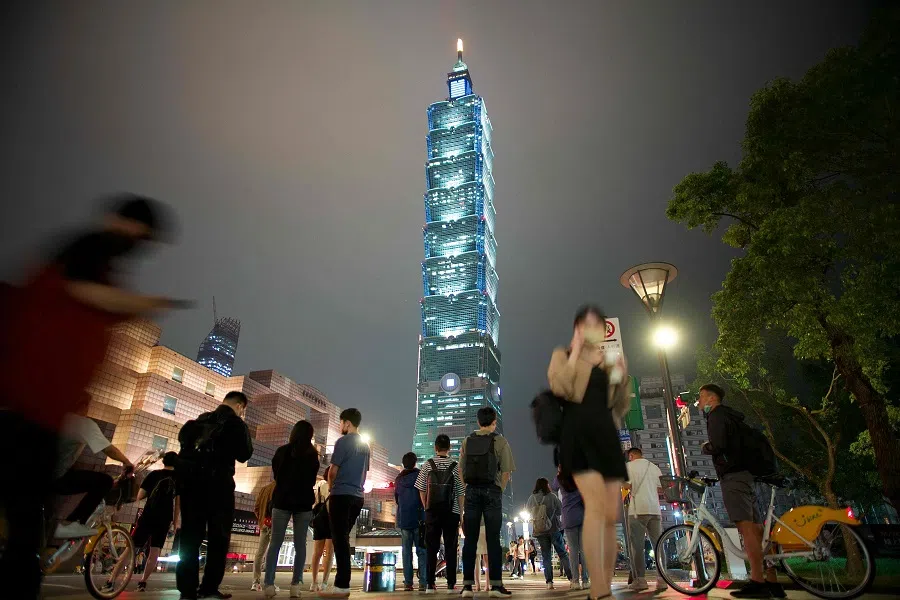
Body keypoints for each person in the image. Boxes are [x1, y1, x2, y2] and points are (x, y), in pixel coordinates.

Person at [0, 194, 183, 600]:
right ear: (129, 225)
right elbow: (86, 292)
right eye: (144, 237)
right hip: (30, 407)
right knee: (26, 523)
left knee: (26, 520)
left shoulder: (96, 258)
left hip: (44, 409)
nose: (142, 247)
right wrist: (143, 304)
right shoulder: (90, 248)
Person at [548, 305, 631, 600]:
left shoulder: (608, 359)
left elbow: (619, 406)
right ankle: (598, 589)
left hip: (606, 435)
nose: (593, 328)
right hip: (578, 434)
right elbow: (561, 388)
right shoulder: (563, 354)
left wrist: (621, 375)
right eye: (587, 323)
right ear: (577, 327)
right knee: (595, 507)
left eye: (598, 323)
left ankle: (604, 585)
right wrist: (576, 352)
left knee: (610, 514)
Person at [698, 384, 784, 599]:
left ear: (710, 399)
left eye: (700, 398)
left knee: (746, 529)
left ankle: (757, 581)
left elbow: (719, 445)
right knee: (757, 530)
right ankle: (772, 581)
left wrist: (706, 447)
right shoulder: (733, 418)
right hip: (747, 476)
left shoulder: (716, 416)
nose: (698, 403)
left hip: (733, 477)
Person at [176, 391, 253, 600]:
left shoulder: (199, 421)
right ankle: (209, 587)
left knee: (190, 537)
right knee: (219, 537)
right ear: (240, 406)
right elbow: (245, 453)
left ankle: (187, 589)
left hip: (192, 485)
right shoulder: (236, 424)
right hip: (219, 485)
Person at [458, 406, 515, 598]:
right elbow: (506, 471)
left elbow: (460, 470)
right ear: (494, 422)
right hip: (492, 491)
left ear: (477, 421)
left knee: (470, 541)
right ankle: (496, 587)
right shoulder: (500, 441)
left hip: (472, 492)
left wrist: (468, 486)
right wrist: (499, 489)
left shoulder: (467, 441)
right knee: (493, 539)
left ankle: (467, 587)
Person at [52, 410, 134, 538]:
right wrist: (127, 462)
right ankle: (74, 522)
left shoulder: (54, 416)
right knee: (104, 481)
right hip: (55, 477)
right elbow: (108, 449)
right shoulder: (81, 423)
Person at [265, 420, 320, 598]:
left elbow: (276, 474)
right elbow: (312, 480)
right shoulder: (312, 455)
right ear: (310, 435)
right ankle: (296, 585)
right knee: (300, 544)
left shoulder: (282, 451)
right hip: (303, 503)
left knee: (275, 543)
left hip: (281, 501)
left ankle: (268, 585)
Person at [320, 409, 370, 599]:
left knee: (339, 539)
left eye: (341, 423)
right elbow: (365, 472)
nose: (340, 427)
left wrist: (332, 491)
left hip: (341, 494)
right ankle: (341, 582)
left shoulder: (342, 442)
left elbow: (332, 471)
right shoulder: (365, 445)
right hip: (358, 497)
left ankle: (342, 585)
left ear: (347, 423)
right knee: (343, 538)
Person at [415, 434, 464, 593]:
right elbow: (461, 493)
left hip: (432, 512)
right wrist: (461, 515)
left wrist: (427, 506)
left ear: (435, 448)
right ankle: (451, 584)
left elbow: (421, 490)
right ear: (449, 448)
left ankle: (430, 583)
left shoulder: (427, 465)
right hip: (452, 512)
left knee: (432, 547)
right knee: (450, 547)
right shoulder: (456, 467)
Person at [131, 451, 180, 592]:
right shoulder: (178, 479)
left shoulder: (153, 474)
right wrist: (175, 523)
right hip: (164, 519)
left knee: (132, 548)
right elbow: (177, 504)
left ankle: (112, 580)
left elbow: (139, 496)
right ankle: (143, 582)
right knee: (155, 551)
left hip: (148, 515)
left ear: (163, 461)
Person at [622, 447, 666, 591]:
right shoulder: (653, 467)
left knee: (637, 547)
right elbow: (661, 488)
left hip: (637, 511)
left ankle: (640, 580)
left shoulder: (628, 467)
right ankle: (662, 580)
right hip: (655, 510)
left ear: (631, 455)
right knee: (658, 544)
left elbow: (627, 485)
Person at [526, 478, 572, 589]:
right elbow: (560, 511)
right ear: (547, 485)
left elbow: (528, 511)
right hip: (554, 529)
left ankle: (549, 582)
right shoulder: (552, 496)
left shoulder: (531, 498)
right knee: (562, 554)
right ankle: (572, 578)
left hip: (540, 531)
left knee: (546, 556)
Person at [552, 468, 590, 590]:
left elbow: (553, 487)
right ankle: (585, 580)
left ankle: (575, 581)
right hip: (582, 516)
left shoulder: (560, 478)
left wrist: (559, 473)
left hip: (569, 517)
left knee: (573, 551)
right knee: (584, 550)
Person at [395, 452, 426, 591]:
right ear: (415, 463)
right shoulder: (421, 476)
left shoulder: (398, 480)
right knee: (422, 551)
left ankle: (408, 582)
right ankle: (423, 581)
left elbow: (397, 499)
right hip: (419, 518)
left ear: (403, 464)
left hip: (404, 519)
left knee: (406, 552)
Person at [310, 466, 334, 592]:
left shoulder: (319, 484)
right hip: (330, 520)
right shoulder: (331, 486)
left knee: (317, 552)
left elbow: (314, 502)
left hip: (318, 520)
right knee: (329, 553)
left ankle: (314, 582)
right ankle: (324, 582)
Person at [251, 481, 277, 592]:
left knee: (259, 553)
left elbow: (256, 507)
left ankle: (255, 583)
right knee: (273, 552)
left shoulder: (264, 488)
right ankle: (269, 582)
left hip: (264, 524)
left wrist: (262, 520)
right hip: (275, 524)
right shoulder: (280, 487)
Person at [473, 518, 490, 592]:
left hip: (473, 527)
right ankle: (487, 585)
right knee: (486, 559)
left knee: (476, 559)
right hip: (485, 527)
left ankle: (477, 585)